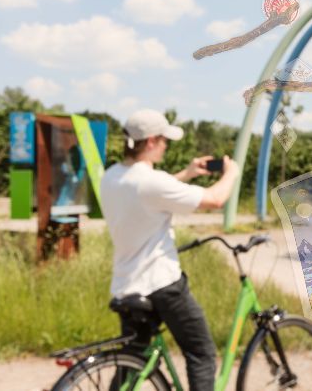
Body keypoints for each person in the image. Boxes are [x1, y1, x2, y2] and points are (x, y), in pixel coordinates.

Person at [99, 109, 240, 391]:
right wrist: (232, 173)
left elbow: (148, 193)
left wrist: (187, 174)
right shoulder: (151, 181)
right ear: (151, 141)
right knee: (200, 353)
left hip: (127, 286)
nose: (166, 145)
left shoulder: (112, 176)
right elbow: (215, 199)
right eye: (164, 140)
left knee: (132, 361)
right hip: (161, 284)